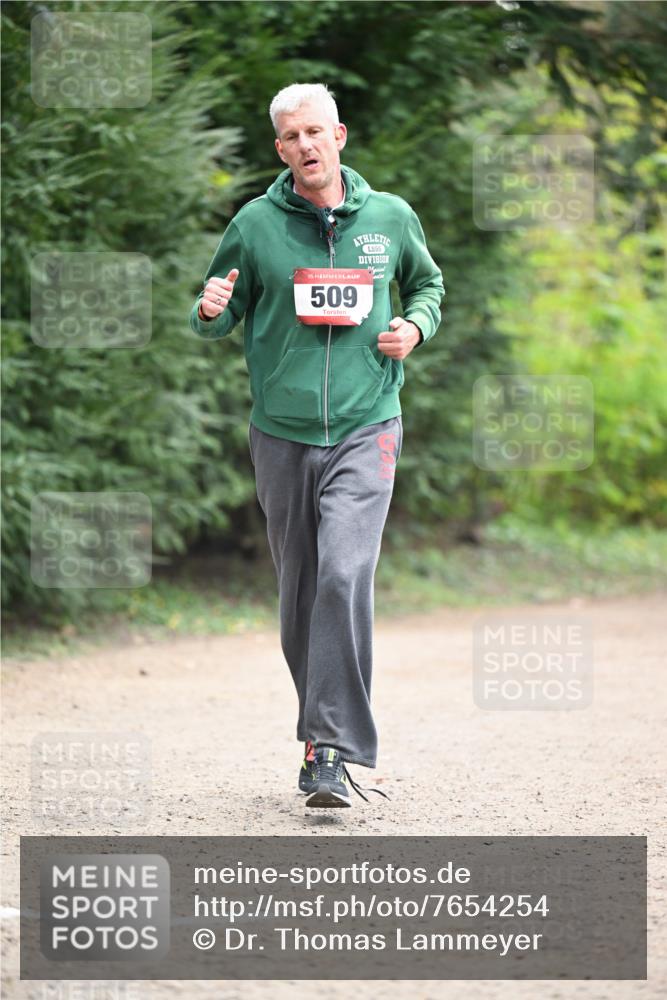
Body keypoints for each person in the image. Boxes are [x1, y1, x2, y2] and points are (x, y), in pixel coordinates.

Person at [190, 83, 444, 808]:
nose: (305, 145)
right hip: (281, 434)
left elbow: (426, 285)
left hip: (369, 427)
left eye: (315, 132)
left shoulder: (390, 218)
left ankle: (330, 748)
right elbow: (221, 307)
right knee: (301, 591)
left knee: (341, 573)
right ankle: (319, 740)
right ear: (280, 149)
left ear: (339, 137)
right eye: (291, 136)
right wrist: (208, 310)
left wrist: (415, 328)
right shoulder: (255, 223)